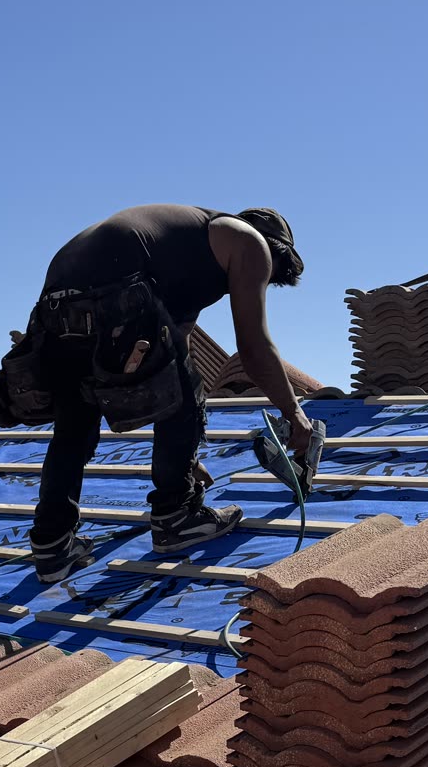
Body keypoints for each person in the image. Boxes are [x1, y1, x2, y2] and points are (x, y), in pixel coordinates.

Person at [26, 204, 320, 581]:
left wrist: (182, 457)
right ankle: (177, 517)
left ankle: (52, 546)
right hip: (111, 289)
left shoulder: (183, 253)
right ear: (275, 249)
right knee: (188, 387)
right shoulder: (248, 241)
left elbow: (164, 368)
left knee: (74, 425)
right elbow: (253, 347)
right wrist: (294, 413)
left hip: (57, 305)